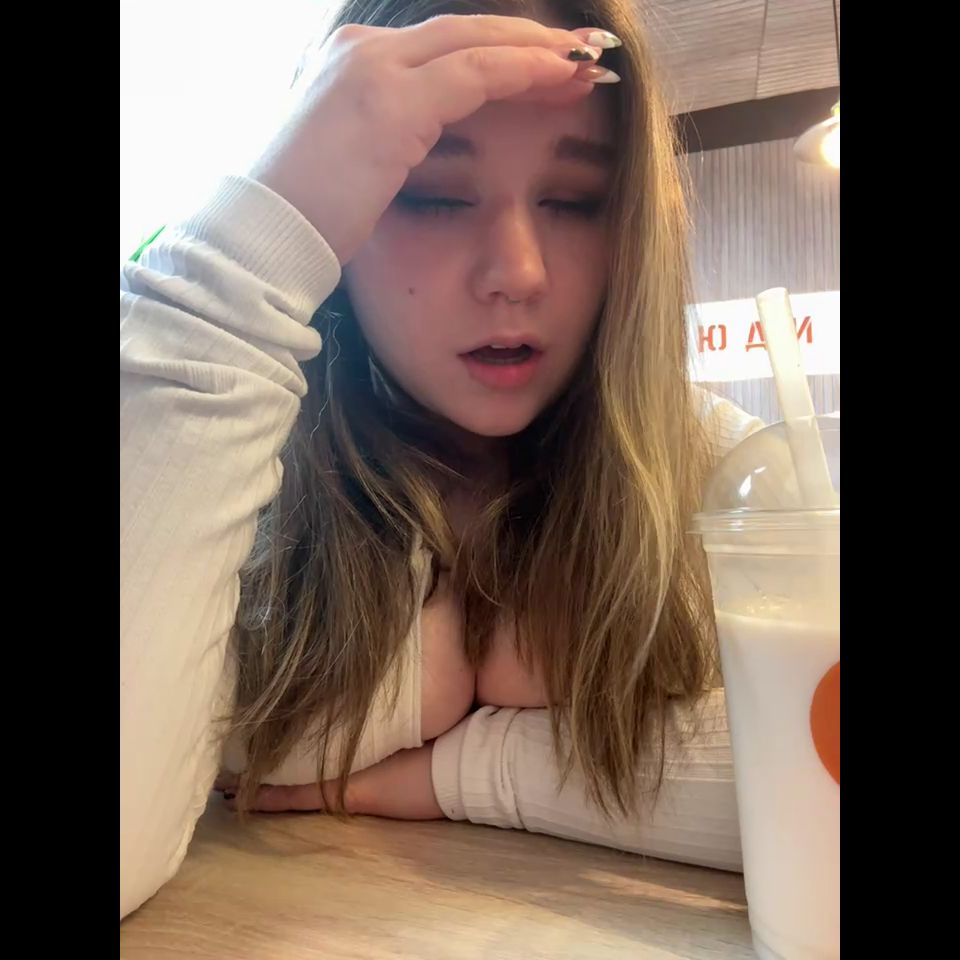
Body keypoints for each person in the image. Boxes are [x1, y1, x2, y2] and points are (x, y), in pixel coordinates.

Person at [120, 0, 765, 921]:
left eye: (574, 200)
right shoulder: (232, 462)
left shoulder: (728, 470)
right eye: (433, 196)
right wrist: (234, 277)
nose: (518, 271)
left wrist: (457, 769)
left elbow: (811, 784)